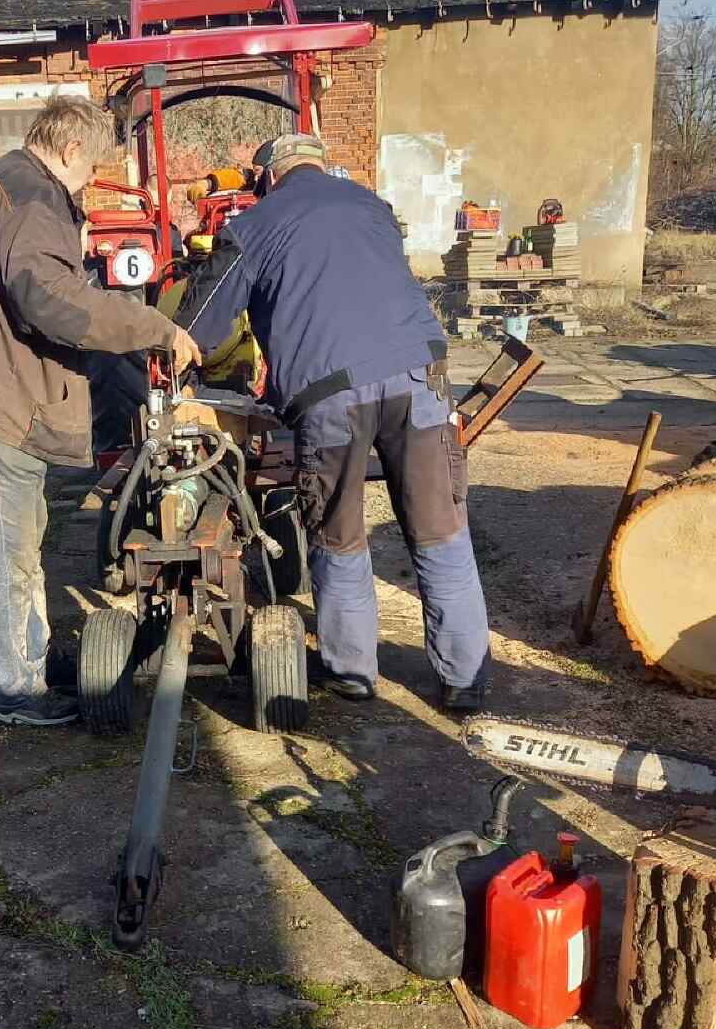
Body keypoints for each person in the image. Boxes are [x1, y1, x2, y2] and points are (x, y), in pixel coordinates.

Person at [0, 94, 202, 727]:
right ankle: (15, 692)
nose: (89, 182)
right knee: (5, 562)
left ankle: (33, 661)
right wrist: (154, 327)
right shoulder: (34, 201)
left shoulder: (1, 182)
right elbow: (53, 301)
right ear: (70, 150)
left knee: (18, 550)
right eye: (90, 168)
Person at [180, 132, 490, 710]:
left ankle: (352, 672)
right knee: (440, 527)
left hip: (330, 393)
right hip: (419, 377)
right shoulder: (373, 207)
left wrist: (174, 349)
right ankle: (464, 679)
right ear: (321, 166)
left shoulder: (254, 225)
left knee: (339, 530)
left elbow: (200, 326)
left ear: (269, 176)